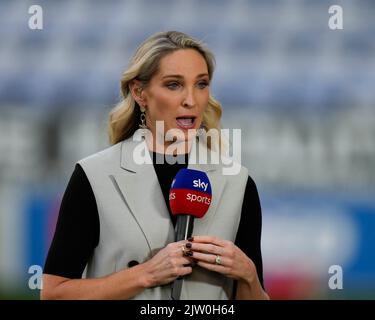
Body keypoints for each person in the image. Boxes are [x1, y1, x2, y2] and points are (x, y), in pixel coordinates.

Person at [41, 31, 269, 300]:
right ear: (139, 93)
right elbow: (53, 294)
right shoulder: (94, 176)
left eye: (201, 84)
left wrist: (249, 276)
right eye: (174, 85)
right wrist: (146, 274)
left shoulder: (237, 183)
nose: (191, 100)